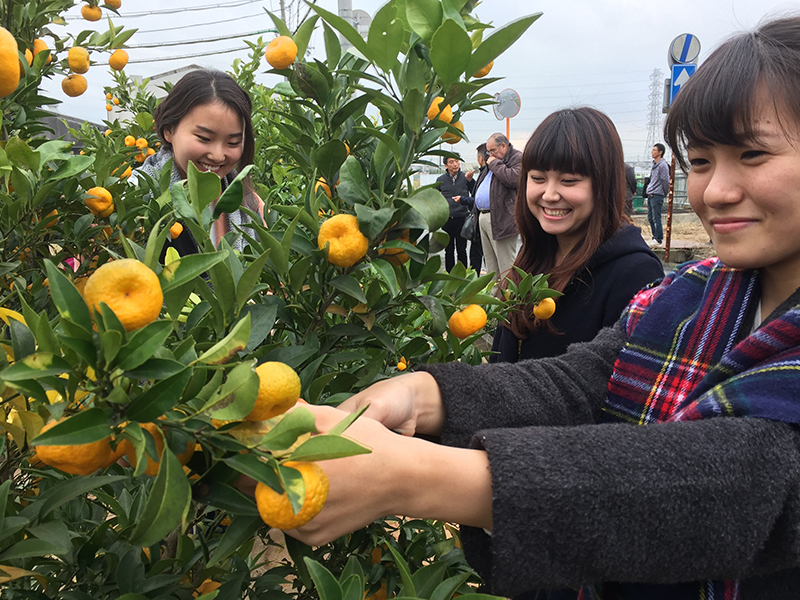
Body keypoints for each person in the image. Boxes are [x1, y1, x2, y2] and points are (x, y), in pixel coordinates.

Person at [283, 15, 800, 599]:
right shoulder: (692, 294)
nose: (715, 191)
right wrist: (425, 395)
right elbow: (581, 381)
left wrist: (409, 476)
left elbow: (730, 484)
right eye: (701, 162)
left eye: (753, 154)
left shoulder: (637, 274)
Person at [491, 108, 663, 363]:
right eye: (537, 178)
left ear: (604, 184)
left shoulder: (634, 274)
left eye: (569, 180)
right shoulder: (537, 253)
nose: (549, 194)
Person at [129, 69, 264, 255]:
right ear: (169, 130)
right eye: (204, 138)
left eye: (233, 143)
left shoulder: (249, 203)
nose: (217, 156)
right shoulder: (133, 198)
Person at [481, 133, 522, 282]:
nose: (490, 155)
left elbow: (513, 178)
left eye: (492, 150)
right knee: (491, 266)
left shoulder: (516, 158)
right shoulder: (496, 161)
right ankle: (495, 301)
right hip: (485, 216)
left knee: (505, 265)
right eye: (488, 152)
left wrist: (493, 163)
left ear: (503, 146)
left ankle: (509, 301)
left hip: (502, 217)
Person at [436, 156, 472, 272]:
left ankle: (462, 274)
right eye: (451, 162)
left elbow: (475, 194)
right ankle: (450, 275)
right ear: (446, 165)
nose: (455, 164)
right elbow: (434, 196)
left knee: (462, 250)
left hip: (462, 218)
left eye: (457, 161)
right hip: (447, 219)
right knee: (449, 250)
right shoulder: (440, 179)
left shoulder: (466, 178)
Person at [464, 144, 489, 273]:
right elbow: (479, 193)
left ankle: (476, 282)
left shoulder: (487, 172)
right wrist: (470, 182)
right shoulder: (485, 172)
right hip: (481, 218)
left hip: (482, 218)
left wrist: (462, 200)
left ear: (480, 157)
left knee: (479, 253)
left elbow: (479, 200)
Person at [645, 143, 670, 244]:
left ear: (660, 152)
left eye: (655, 150)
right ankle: (654, 236)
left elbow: (665, 180)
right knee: (650, 217)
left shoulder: (662, 165)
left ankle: (658, 238)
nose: (652, 152)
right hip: (651, 194)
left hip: (657, 194)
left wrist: (664, 192)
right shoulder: (654, 164)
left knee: (656, 218)